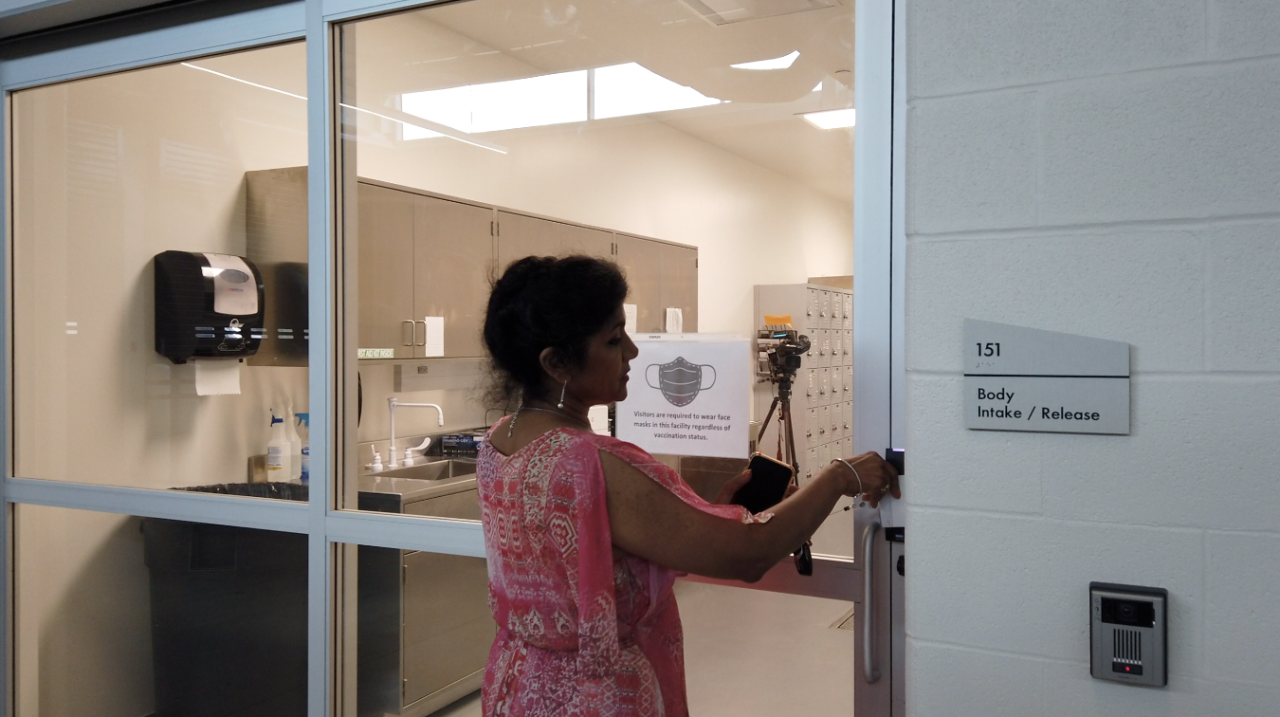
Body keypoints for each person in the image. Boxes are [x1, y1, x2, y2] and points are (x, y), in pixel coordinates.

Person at [476, 255, 899, 717]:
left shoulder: (498, 443)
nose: (633, 352)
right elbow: (749, 553)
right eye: (614, 339)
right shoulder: (591, 464)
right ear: (557, 363)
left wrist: (706, 514)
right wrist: (841, 476)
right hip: (592, 697)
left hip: (518, 685)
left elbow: (594, 557)